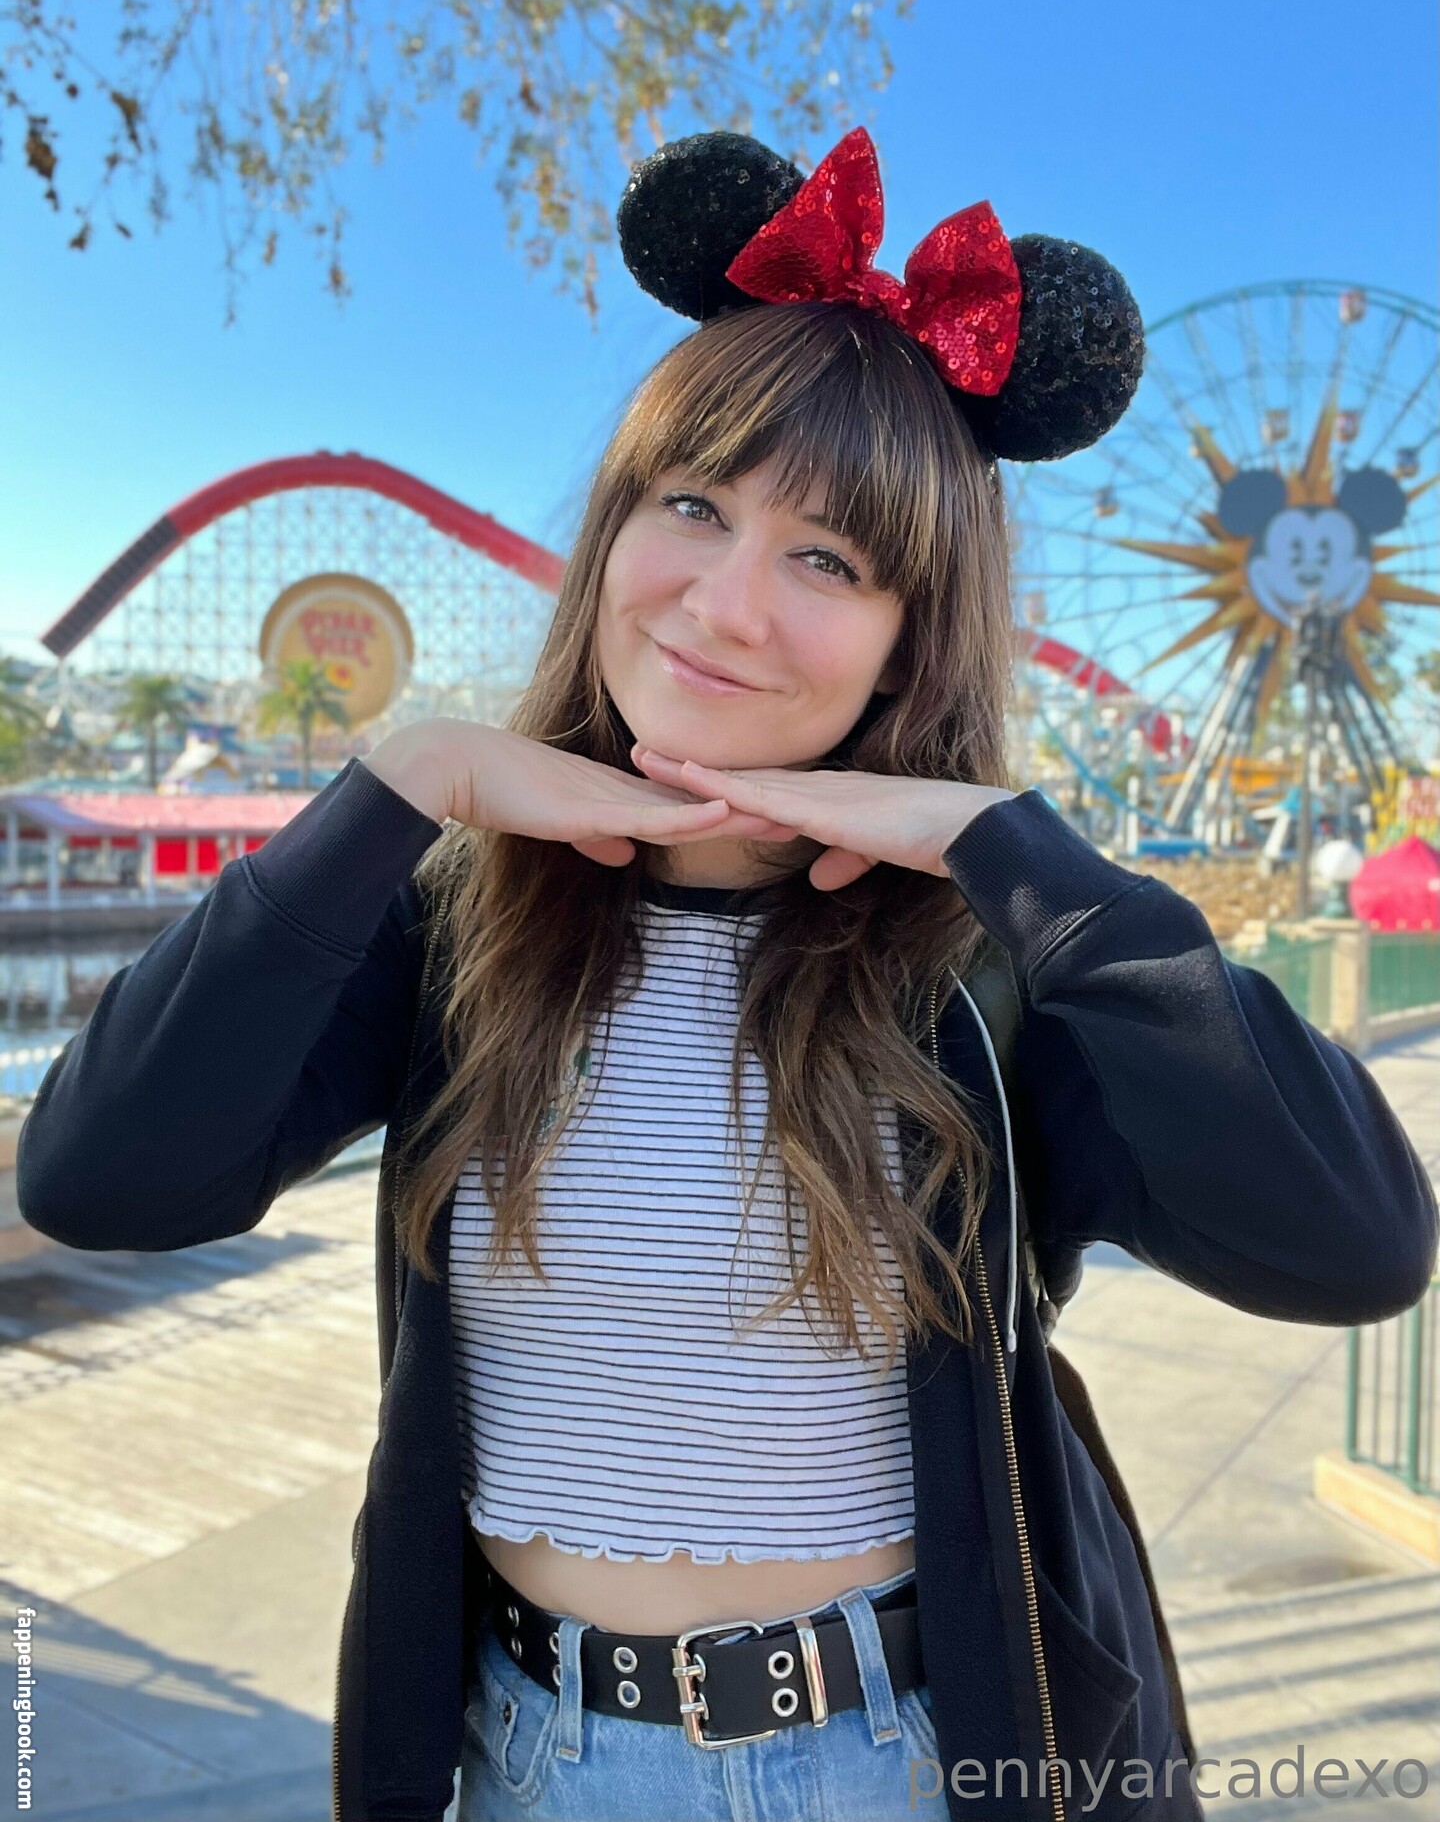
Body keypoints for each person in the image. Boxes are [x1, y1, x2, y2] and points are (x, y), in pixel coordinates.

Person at [18, 128, 1438, 1822]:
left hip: (895, 1756)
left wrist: (1017, 853)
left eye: (830, 560)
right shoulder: (459, 928)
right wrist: (393, 791)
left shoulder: (981, 972)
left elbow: (1356, 1247)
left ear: (912, 639)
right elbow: (98, 1180)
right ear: (614, 528)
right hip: (523, 1752)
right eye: (691, 506)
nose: (726, 603)